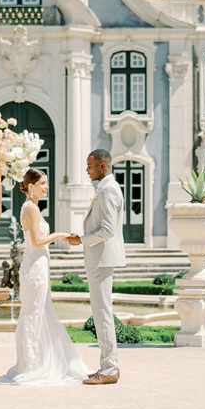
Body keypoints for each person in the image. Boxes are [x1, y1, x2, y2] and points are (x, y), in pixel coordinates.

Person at [0, 169, 90, 387]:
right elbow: (37, 241)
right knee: (33, 313)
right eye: (43, 183)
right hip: (35, 267)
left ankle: (36, 361)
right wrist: (61, 234)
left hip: (37, 265)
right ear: (31, 187)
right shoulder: (31, 208)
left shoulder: (31, 207)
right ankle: (31, 365)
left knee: (38, 312)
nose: (47, 187)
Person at [66, 148, 126, 385]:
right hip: (99, 257)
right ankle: (108, 366)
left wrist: (81, 239)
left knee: (102, 314)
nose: (86, 170)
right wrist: (81, 237)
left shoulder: (108, 190)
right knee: (101, 313)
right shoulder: (104, 188)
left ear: (103, 165)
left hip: (102, 258)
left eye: (90, 166)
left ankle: (110, 369)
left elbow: (108, 230)